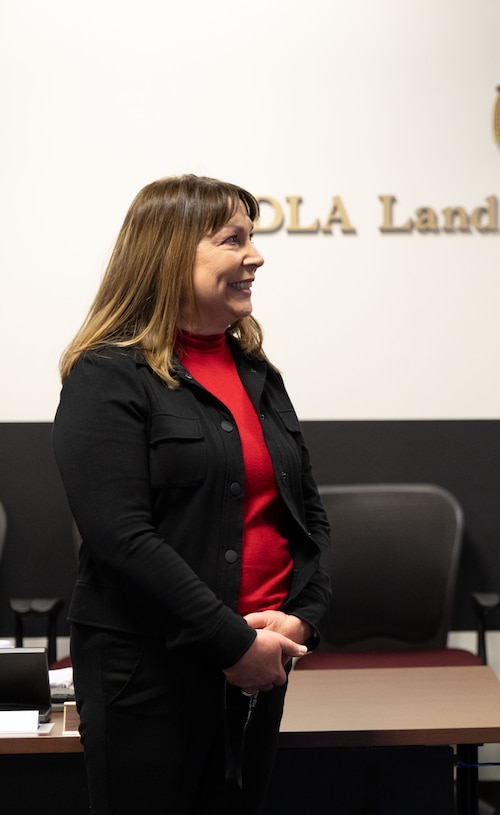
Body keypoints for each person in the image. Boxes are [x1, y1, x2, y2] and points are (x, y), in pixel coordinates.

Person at [53, 175, 332, 814]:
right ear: (172, 253)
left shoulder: (257, 373)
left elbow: (307, 516)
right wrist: (231, 644)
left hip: (261, 669)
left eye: (252, 238)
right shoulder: (106, 374)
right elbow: (121, 538)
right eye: (234, 240)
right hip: (148, 673)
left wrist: (303, 619)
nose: (256, 257)